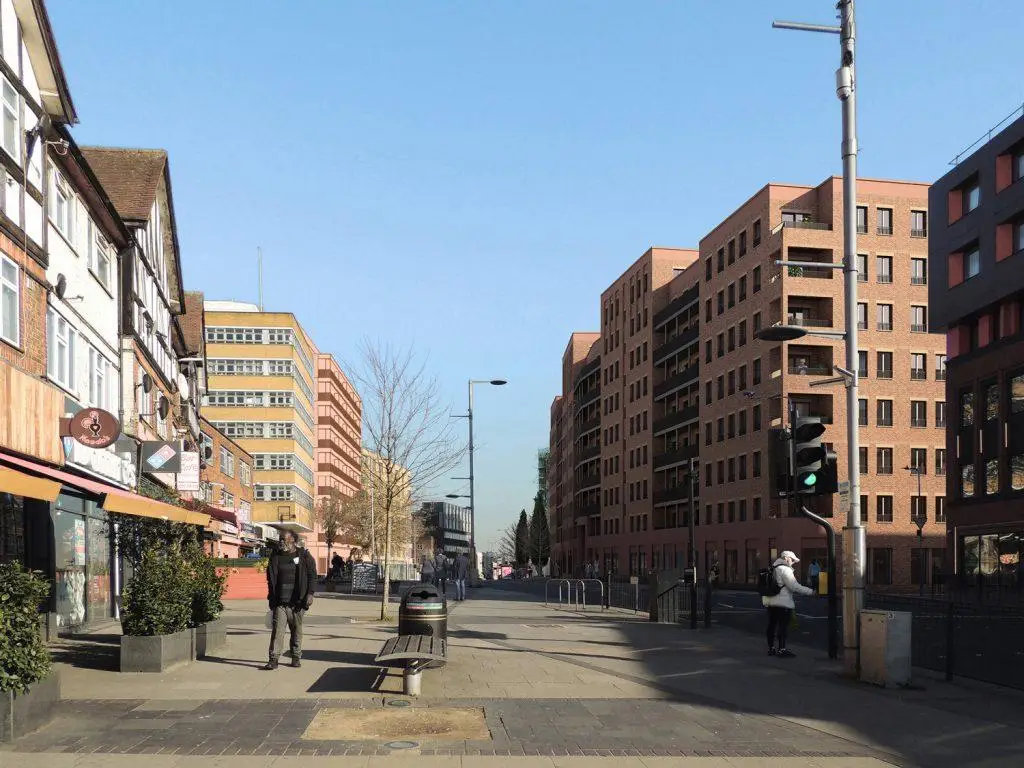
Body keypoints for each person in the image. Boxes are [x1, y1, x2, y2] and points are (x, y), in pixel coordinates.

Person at [263, 532, 317, 670]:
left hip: (297, 602)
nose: (281, 542)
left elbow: (312, 576)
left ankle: (296, 656)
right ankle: (273, 659)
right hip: (280, 601)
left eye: (283, 539)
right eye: (280, 539)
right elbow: (270, 578)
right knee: (277, 631)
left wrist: (310, 594)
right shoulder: (275, 556)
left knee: (296, 630)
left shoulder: (304, 555)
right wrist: (271, 596)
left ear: (293, 539)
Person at [762, 550, 815, 658]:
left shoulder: (773, 568)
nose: (793, 562)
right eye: (792, 560)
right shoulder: (785, 569)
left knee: (771, 625)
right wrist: (811, 592)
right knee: (782, 627)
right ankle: (782, 649)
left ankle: (771, 648)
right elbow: (794, 587)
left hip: (770, 602)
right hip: (783, 603)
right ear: (786, 558)